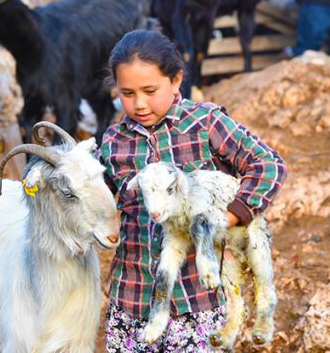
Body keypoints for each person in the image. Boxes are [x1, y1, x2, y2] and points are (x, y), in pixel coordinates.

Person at [100, 29, 287, 351]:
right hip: (132, 294)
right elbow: (93, 193)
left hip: (196, 298)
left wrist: (230, 217)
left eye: (150, 90)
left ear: (176, 81)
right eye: (127, 93)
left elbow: (268, 164)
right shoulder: (114, 141)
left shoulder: (205, 124)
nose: (139, 104)